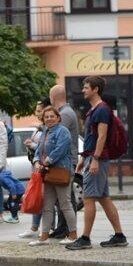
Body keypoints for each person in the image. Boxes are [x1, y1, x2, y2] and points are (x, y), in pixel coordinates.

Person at [66, 75, 127, 250]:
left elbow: (102, 136)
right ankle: (119, 235)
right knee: (104, 198)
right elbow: (91, 138)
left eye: (86, 87)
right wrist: (83, 159)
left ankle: (84, 238)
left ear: (95, 89)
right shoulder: (94, 110)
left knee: (88, 198)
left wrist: (95, 159)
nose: (83, 90)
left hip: (97, 159)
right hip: (93, 157)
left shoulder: (101, 110)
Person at [29, 106, 78, 246]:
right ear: (43, 119)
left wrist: (46, 161)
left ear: (58, 118)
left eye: (52, 116)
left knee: (65, 204)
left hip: (61, 171)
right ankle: (44, 236)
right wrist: (37, 162)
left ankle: (73, 235)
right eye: (46, 117)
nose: (49, 119)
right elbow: (38, 150)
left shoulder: (63, 131)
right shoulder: (45, 132)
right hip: (48, 173)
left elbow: (60, 150)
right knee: (47, 206)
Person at [49, 85, 80, 239]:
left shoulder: (65, 114)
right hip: (64, 160)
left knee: (66, 197)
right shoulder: (65, 112)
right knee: (62, 196)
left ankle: (67, 227)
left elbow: (57, 137)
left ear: (53, 97)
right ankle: (63, 226)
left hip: (65, 161)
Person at [18, 98, 48, 238]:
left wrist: (33, 146)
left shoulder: (47, 128)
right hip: (36, 166)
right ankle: (35, 227)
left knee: (45, 198)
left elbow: (45, 147)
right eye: (36, 110)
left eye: (39, 110)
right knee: (37, 196)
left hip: (44, 167)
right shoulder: (38, 128)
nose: (37, 113)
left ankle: (45, 228)